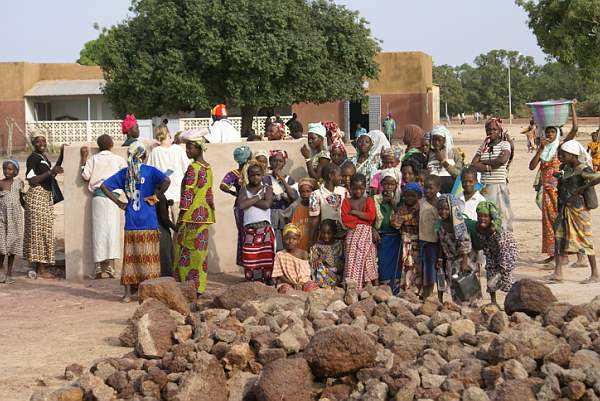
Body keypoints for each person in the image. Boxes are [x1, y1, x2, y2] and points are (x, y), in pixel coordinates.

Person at [101, 141, 170, 302]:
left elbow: (104, 186)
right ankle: (150, 293)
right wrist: (155, 196)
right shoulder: (150, 171)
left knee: (130, 259)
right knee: (150, 259)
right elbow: (167, 180)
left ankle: (127, 295)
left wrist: (119, 203)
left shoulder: (125, 173)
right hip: (149, 221)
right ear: (144, 156)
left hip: (131, 221)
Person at [529, 104, 578, 264]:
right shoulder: (544, 148)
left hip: (559, 191)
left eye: (553, 132)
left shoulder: (560, 146)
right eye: (548, 131)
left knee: (560, 221)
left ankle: (563, 255)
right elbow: (531, 166)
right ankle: (552, 253)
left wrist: (573, 108)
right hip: (547, 192)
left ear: (557, 133)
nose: (550, 134)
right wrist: (540, 149)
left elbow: (575, 128)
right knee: (548, 222)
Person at [548, 140, 600, 283]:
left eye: (563, 154)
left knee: (585, 240)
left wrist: (583, 188)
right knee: (559, 237)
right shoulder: (566, 168)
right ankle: (558, 273)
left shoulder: (582, 168)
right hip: (565, 208)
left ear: (572, 154)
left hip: (578, 209)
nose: (560, 156)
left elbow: (597, 177)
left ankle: (595, 274)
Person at [171, 129, 215, 294]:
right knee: (200, 254)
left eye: (190, 147)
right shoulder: (208, 167)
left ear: (198, 147)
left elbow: (188, 194)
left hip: (190, 217)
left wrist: (181, 217)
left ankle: (184, 285)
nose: (187, 150)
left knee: (184, 252)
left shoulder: (193, 168)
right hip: (205, 216)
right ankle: (199, 287)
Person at [80, 134, 127, 278]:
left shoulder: (93, 159)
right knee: (113, 231)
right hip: (114, 199)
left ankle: (98, 268)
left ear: (99, 146)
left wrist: (83, 158)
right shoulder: (119, 159)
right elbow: (126, 176)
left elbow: (85, 176)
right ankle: (111, 268)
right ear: (112, 145)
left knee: (98, 231)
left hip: (99, 198)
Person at [24, 130, 64, 279]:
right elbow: (32, 180)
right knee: (39, 233)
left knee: (45, 232)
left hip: (45, 197)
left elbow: (52, 172)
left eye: (43, 141)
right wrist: (51, 171)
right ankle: (40, 269)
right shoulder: (33, 158)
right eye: (38, 141)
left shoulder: (43, 158)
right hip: (37, 196)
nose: (41, 144)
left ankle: (41, 266)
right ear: (33, 143)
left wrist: (61, 155)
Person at [471, 117, 513, 231]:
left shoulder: (505, 144)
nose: (491, 132)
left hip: (498, 186)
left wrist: (483, 163)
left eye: (494, 129)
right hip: (484, 186)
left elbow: (502, 160)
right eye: (488, 129)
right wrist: (490, 166)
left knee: (500, 218)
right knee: (484, 217)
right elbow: (473, 164)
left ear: (500, 131)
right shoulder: (483, 146)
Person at [436, 194, 478, 303]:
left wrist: (464, 263)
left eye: (446, 209)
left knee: (467, 287)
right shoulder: (440, 224)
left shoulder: (458, 223)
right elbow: (441, 243)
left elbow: (465, 243)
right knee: (455, 286)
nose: (443, 211)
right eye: (440, 209)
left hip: (464, 259)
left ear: (451, 208)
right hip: (451, 260)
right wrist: (440, 258)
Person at [238, 160, 275, 282]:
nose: (255, 177)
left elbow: (267, 204)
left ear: (262, 175)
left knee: (265, 258)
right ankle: (252, 282)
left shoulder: (268, 189)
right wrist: (259, 197)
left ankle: (266, 281)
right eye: (252, 175)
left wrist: (250, 200)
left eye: (258, 174)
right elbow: (242, 205)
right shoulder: (244, 189)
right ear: (248, 176)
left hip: (264, 228)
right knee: (250, 258)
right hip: (249, 230)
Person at [475, 201, 518, 304]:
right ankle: (493, 302)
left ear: (491, 218)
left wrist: (502, 267)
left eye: (486, 216)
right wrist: (490, 262)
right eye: (480, 216)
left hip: (508, 251)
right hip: (492, 251)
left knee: (505, 277)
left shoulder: (497, 232)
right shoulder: (478, 228)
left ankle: (513, 301)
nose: (482, 219)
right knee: (490, 273)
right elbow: (485, 246)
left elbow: (504, 250)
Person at [148, 125, 191, 225]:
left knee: (164, 225)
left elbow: (149, 172)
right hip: (177, 193)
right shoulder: (178, 149)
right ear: (168, 133)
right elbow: (187, 168)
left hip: (161, 195)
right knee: (178, 225)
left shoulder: (155, 152)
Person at [341, 173, 378, 289]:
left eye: (361, 188)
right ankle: (353, 287)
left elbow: (371, 216)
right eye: (355, 188)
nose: (358, 191)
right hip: (352, 235)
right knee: (352, 261)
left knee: (369, 260)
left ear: (365, 188)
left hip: (366, 235)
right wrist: (363, 218)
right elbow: (346, 219)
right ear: (350, 188)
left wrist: (355, 213)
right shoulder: (347, 201)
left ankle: (372, 287)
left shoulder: (369, 200)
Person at [220, 146, 252, 266]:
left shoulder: (234, 174)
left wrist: (234, 193)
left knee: (243, 234)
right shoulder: (253, 172)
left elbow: (223, 185)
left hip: (240, 205)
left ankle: (245, 263)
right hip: (251, 205)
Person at [391, 182, 422, 292]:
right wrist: (406, 218)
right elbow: (395, 223)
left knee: (417, 265)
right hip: (404, 241)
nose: (410, 198)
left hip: (417, 241)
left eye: (413, 195)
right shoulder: (402, 208)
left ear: (418, 196)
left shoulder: (420, 208)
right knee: (406, 265)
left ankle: (416, 289)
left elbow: (419, 222)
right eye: (407, 195)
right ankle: (406, 288)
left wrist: (404, 218)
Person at [264, 150, 297, 250]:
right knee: (273, 243)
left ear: (284, 163)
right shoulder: (265, 179)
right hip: (271, 215)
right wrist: (275, 197)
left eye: (280, 161)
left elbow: (294, 197)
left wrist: (282, 178)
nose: (277, 164)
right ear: (270, 162)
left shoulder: (289, 179)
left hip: (286, 215)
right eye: (274, 161)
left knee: (287, 241)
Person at [374, 171, 401, 287]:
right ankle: (382, 286)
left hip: (395, 237)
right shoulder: (375, 199)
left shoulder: (399, 200)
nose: (389, 187)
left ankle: (394, 287)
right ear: (381, 184)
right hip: (381, 237)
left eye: (392, 184)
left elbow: (400, 214)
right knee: (382, 261)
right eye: (386, 184)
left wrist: (392, 202)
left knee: (394, 263)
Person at [272, 223, 317, 293]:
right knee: (285, 289)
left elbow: (306, 272)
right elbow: (280, 274)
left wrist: (301, 283)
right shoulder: (280, 255)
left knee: (311, 288)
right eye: (287, 239)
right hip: (287, 282)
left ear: (298, 240)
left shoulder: (303, 254)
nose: (290, 241)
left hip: (303, 282)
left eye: (294, 239)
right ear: (283, 239)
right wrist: (292, 282)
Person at [0, 159, 24, 284]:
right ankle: (0, 269)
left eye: (10, 169)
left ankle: (9, 272)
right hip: (2, 219)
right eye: (5, 169)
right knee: (1, 246)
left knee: (13, 245)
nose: (7, 171)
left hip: (15, 219)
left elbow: (21, 199)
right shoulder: (0, 184)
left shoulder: (19, 183)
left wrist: (28, 209)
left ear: (15, 171)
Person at [309, 163, 348, 241]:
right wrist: (311, 239)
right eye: (339, 175)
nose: (341, 178)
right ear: (331, 176)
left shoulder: (343, 191)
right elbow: (315, 219)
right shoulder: (316, 194)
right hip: (327, 235)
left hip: (344, 234)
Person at [419, 175, 441, 300]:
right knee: (424, 267)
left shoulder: (440, 204)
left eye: (431, 188)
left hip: (435, 242)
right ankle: (425, 292)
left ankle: (431, 294)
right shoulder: (421, 202)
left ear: (438, 188)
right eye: (425, 187)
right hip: (422, 240)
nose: (427, 191)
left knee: (433, 268)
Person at [281, 177, 317, 252]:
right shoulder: (295, 206)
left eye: (308, 191)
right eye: (302, 192)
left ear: (313, 192)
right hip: (297, 245)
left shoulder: (316, 207)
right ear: (299, 193)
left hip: (312, 242)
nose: (305, 194)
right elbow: (285, 219)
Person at [310, 219, 344, 288]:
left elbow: (343, 262)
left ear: (334, 232)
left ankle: (330, 284)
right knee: (320, 269)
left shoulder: (340, 244)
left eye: (329, 233)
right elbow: (313, 263)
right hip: (323, 274)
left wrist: (334, 269)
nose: (326, 236)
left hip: (337, 274)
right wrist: (318, 260)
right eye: (323, 233)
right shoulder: (316, 246)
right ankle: (324, 284)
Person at [427, 125, 462, 194]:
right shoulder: (429, 153)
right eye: (434, 140)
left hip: (451, 189)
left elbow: (458, 174)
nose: (436, 143)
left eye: (439, 140)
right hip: (433, 191)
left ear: (444, 140)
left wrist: (443, 161)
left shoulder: (454, 152)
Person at [156, 193, 176, 277]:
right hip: (161, 228)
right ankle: (166, 276)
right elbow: (164, 218)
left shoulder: (150, 192)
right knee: (165, 254)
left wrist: (167, 203)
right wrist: (176, 228)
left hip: (154, 227)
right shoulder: (160, 196)